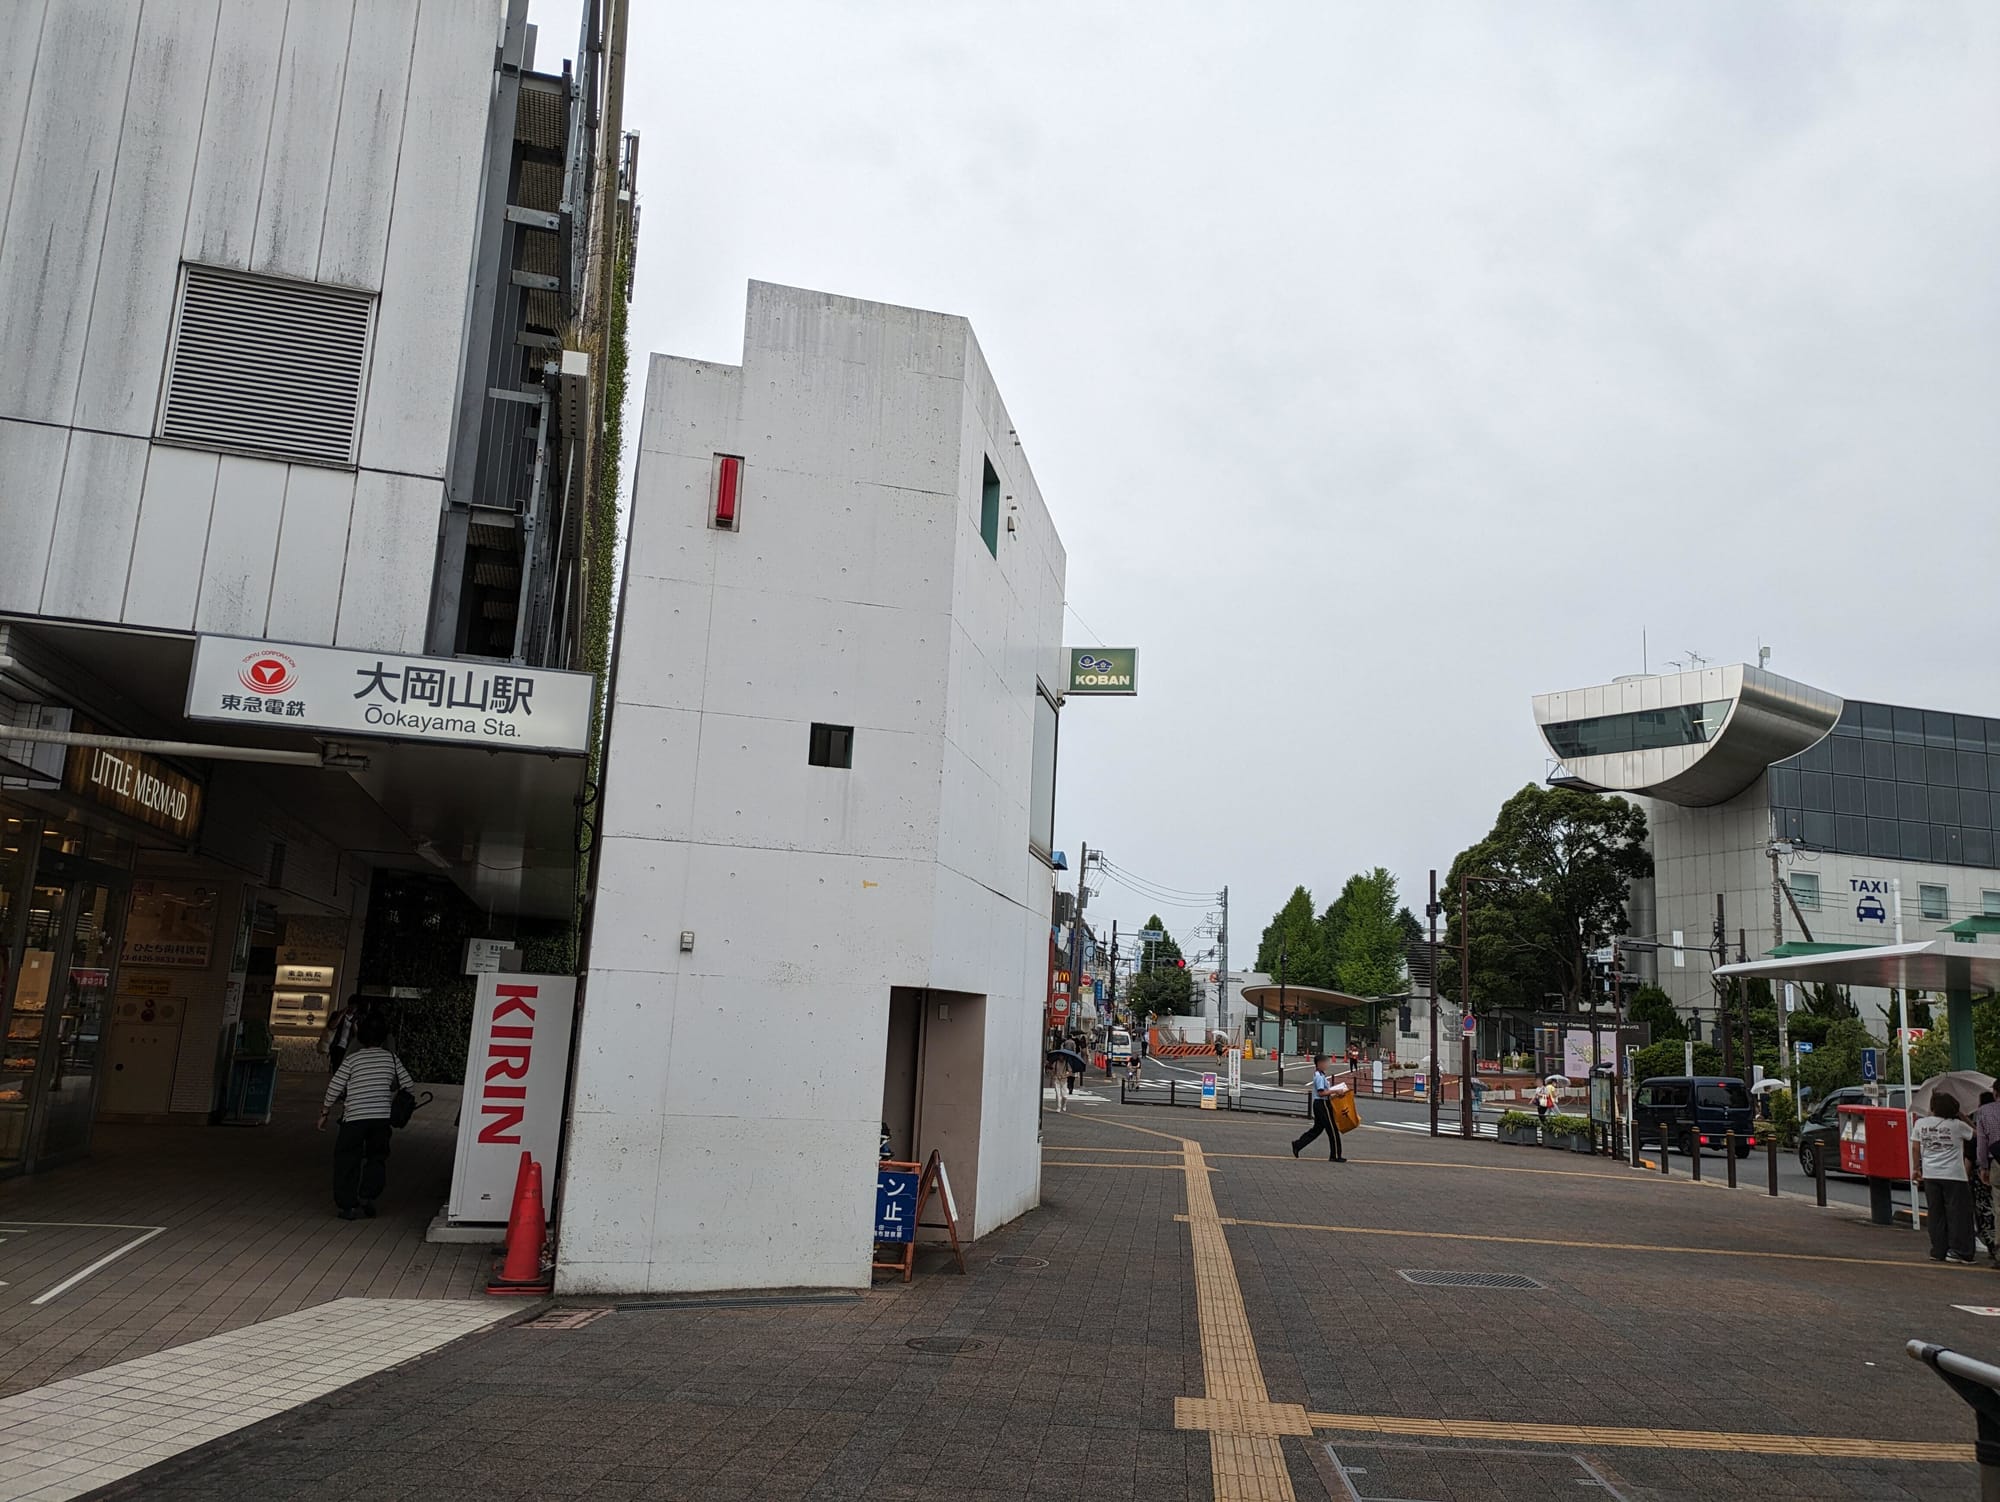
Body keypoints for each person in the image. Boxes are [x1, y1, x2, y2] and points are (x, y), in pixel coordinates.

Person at [318, 1013, 415, 1221]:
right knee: (377, 1157)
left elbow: (335, 1086)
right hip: (381, 1118)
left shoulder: (353, 1059)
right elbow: (408, 1084)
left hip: (354, 1118)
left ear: (360, 1037)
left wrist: (325, 1112)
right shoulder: (391, 1059)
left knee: (347, 1159)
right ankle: (368, 1197)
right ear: (384, 1037)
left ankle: (348, 1206)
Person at [1912, 1089, 1977, 1264]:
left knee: (1936, 1213)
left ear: (1933, 1107)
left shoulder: (1920, 1124)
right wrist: (1963, 1117)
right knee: (1958, 1214)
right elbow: (1977, 1134)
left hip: (1931, 1174)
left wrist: (1916, 1168)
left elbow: (1915, 1148)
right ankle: (1959, 1251)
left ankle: (1938, 1250)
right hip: (1955, 1175)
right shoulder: (1957, 1125)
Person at [1291, 1053, 1345, 1162]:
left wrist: (1333, 1093)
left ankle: (1298, 1144)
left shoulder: (1320, 1075)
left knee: (1317, 1129)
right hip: (1322, 1104)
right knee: (1332, 1130)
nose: (1327, 1065)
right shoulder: (1319, 1077)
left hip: (1319, 1104)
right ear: (1319, 1064)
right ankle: (1335, 1155)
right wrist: (1335, 1091)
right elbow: (1321, 1093)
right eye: (1325, 1062)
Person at [1973, 1090, 2000, 1264]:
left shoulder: (1985, 1111)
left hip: (1997, 1160)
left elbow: (1982, 1143)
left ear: (1996, 1092)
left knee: (1999, 1207)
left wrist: (1983, 1166)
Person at [320, 995, 363, 1072]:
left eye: (356, 1007)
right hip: (337, 1046)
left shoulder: (358, 1018)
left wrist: (354, 1024)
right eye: (353, 1006)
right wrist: (341, 1014)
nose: (354, 1009)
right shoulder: (337, 1014)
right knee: (336, 1068)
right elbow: (331, 1026)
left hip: (349, 1047)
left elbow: (358, 1035)